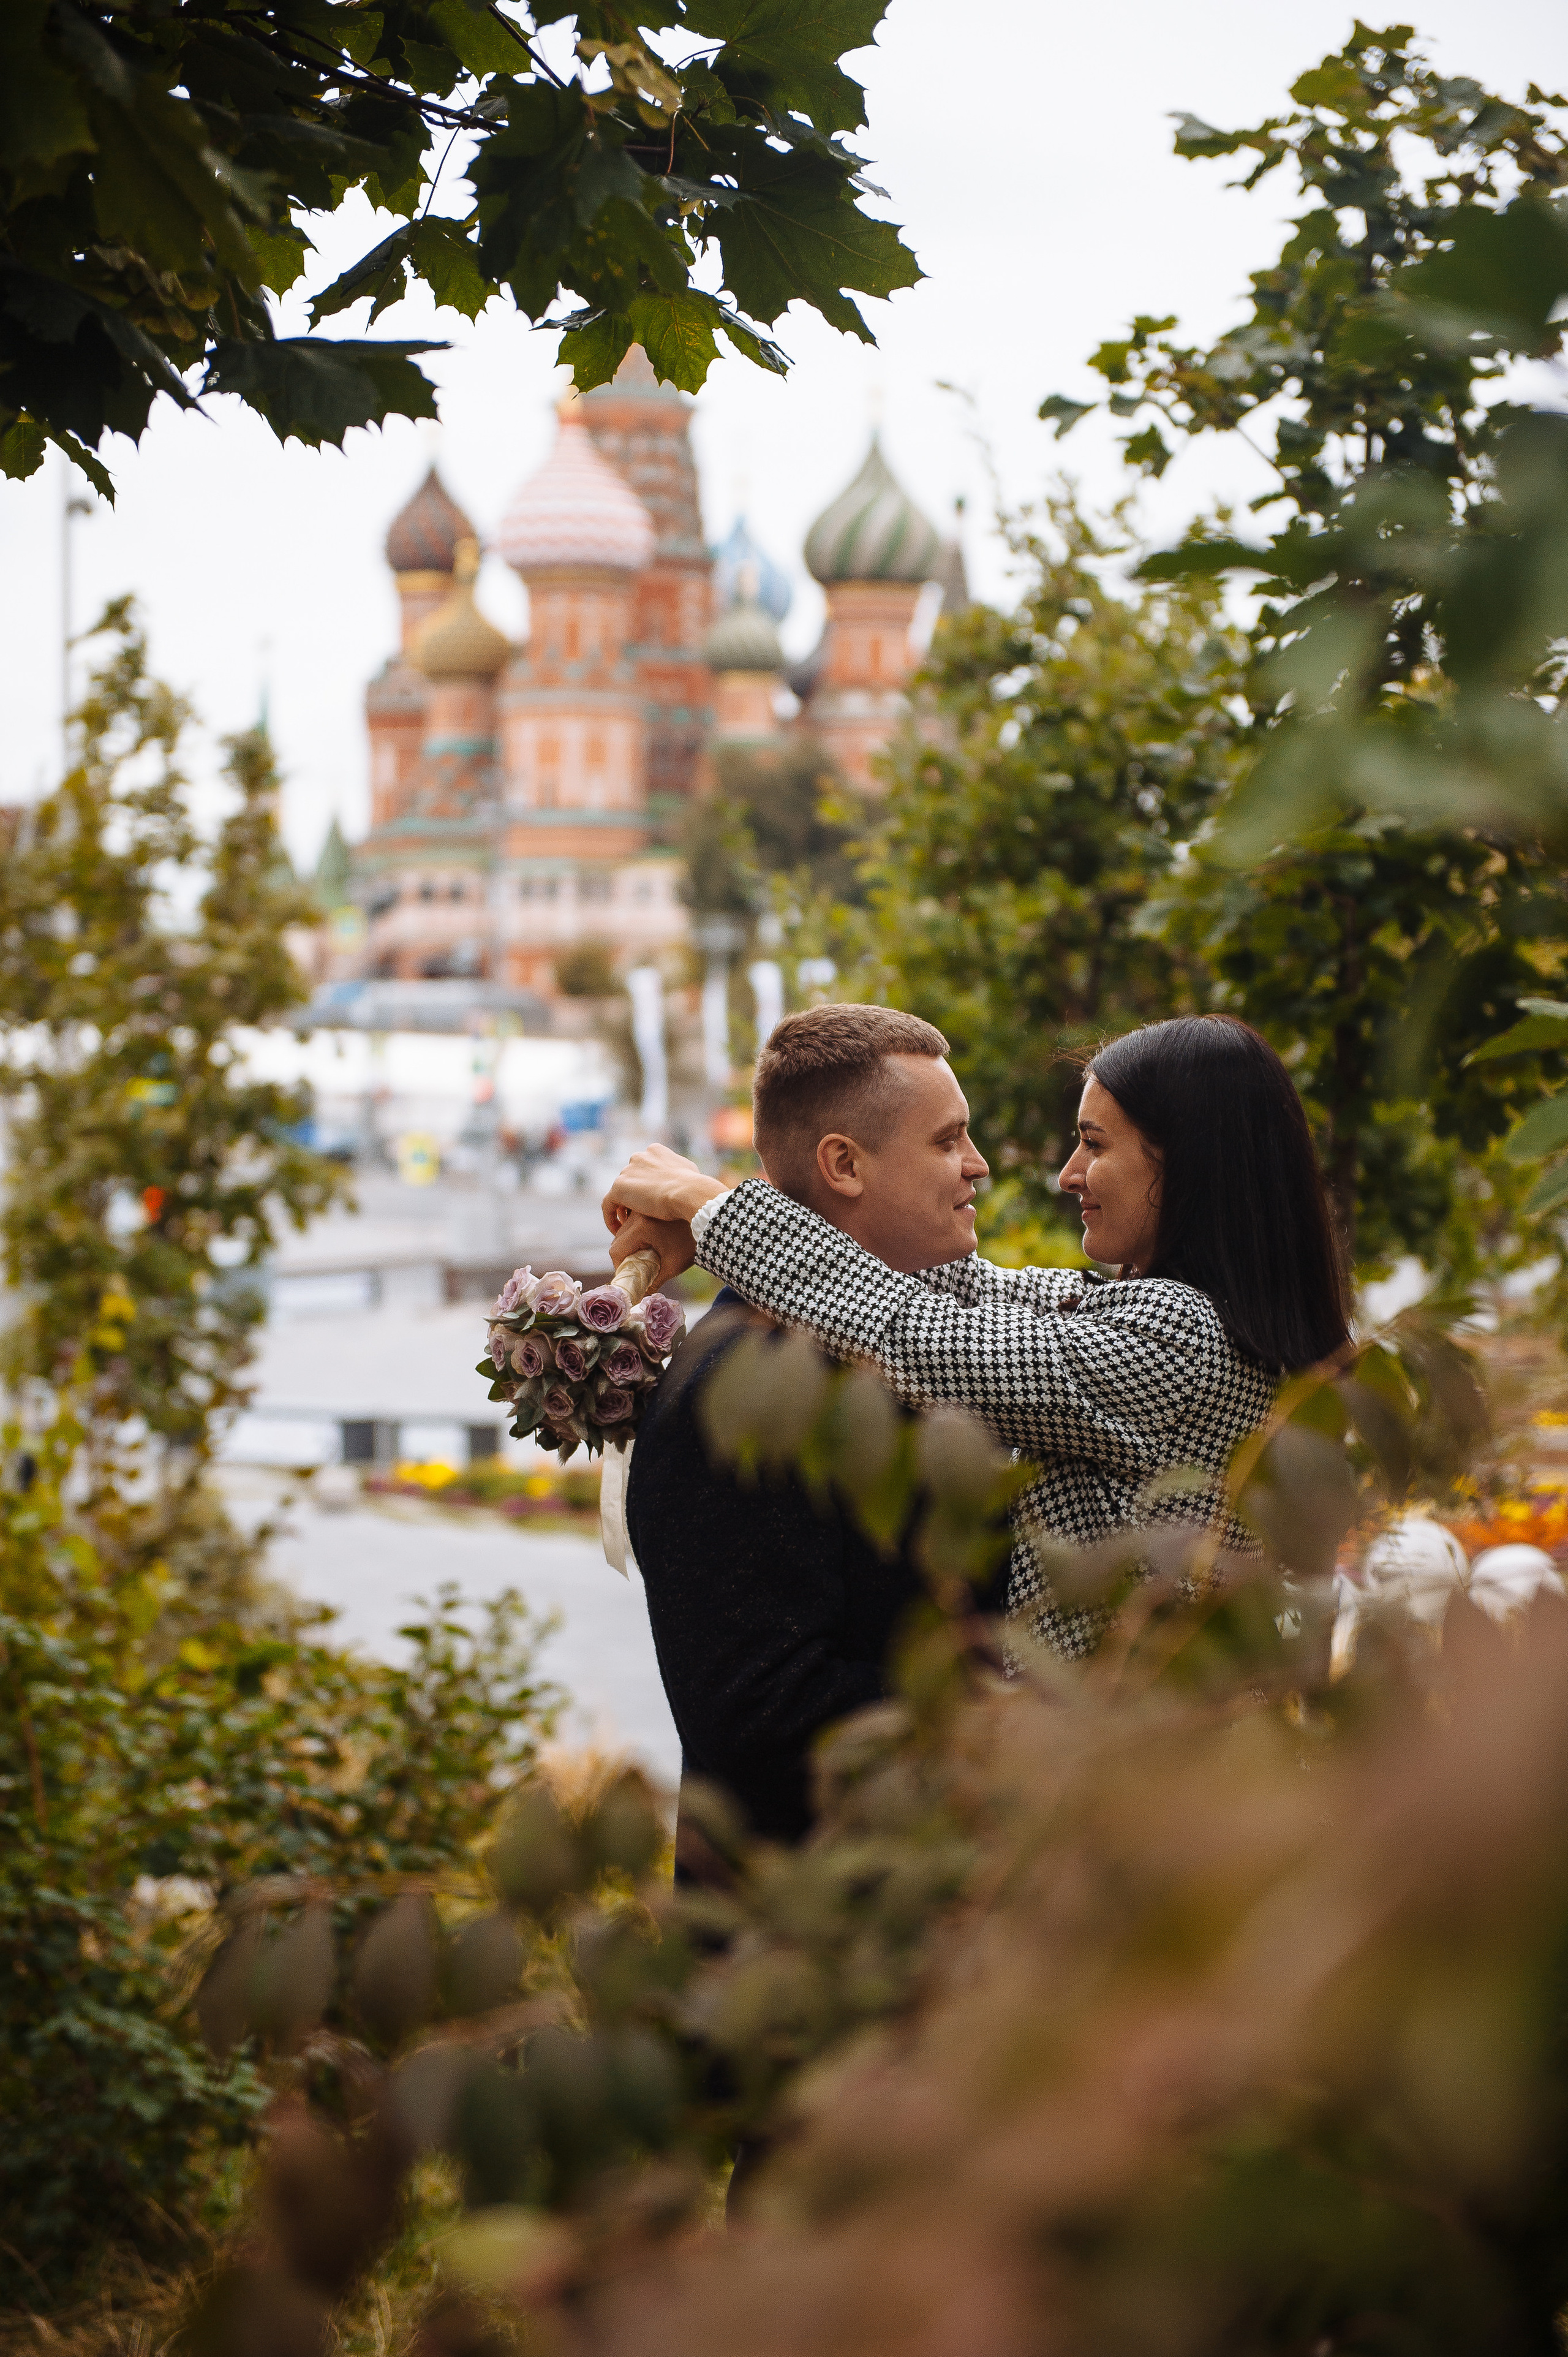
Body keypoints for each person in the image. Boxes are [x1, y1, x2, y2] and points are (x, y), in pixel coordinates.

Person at [607, 1013, 1352, 1659]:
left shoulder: (1181, 1343)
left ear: (1190, 1163)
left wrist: (705, 1203)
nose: (1068, 1175)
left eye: (1094, 1145)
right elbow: (958, 1289)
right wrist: (721, 1216)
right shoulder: (1172, 1318)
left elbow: (914, 1331)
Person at [627, 1004, 996, 1870]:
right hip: (818, 1921)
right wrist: (1010, 1717)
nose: (977, 1164)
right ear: (844, 1164)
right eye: (947, 1140)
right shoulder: (735, 1391)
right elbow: (762, 1719)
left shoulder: (936, 1336)